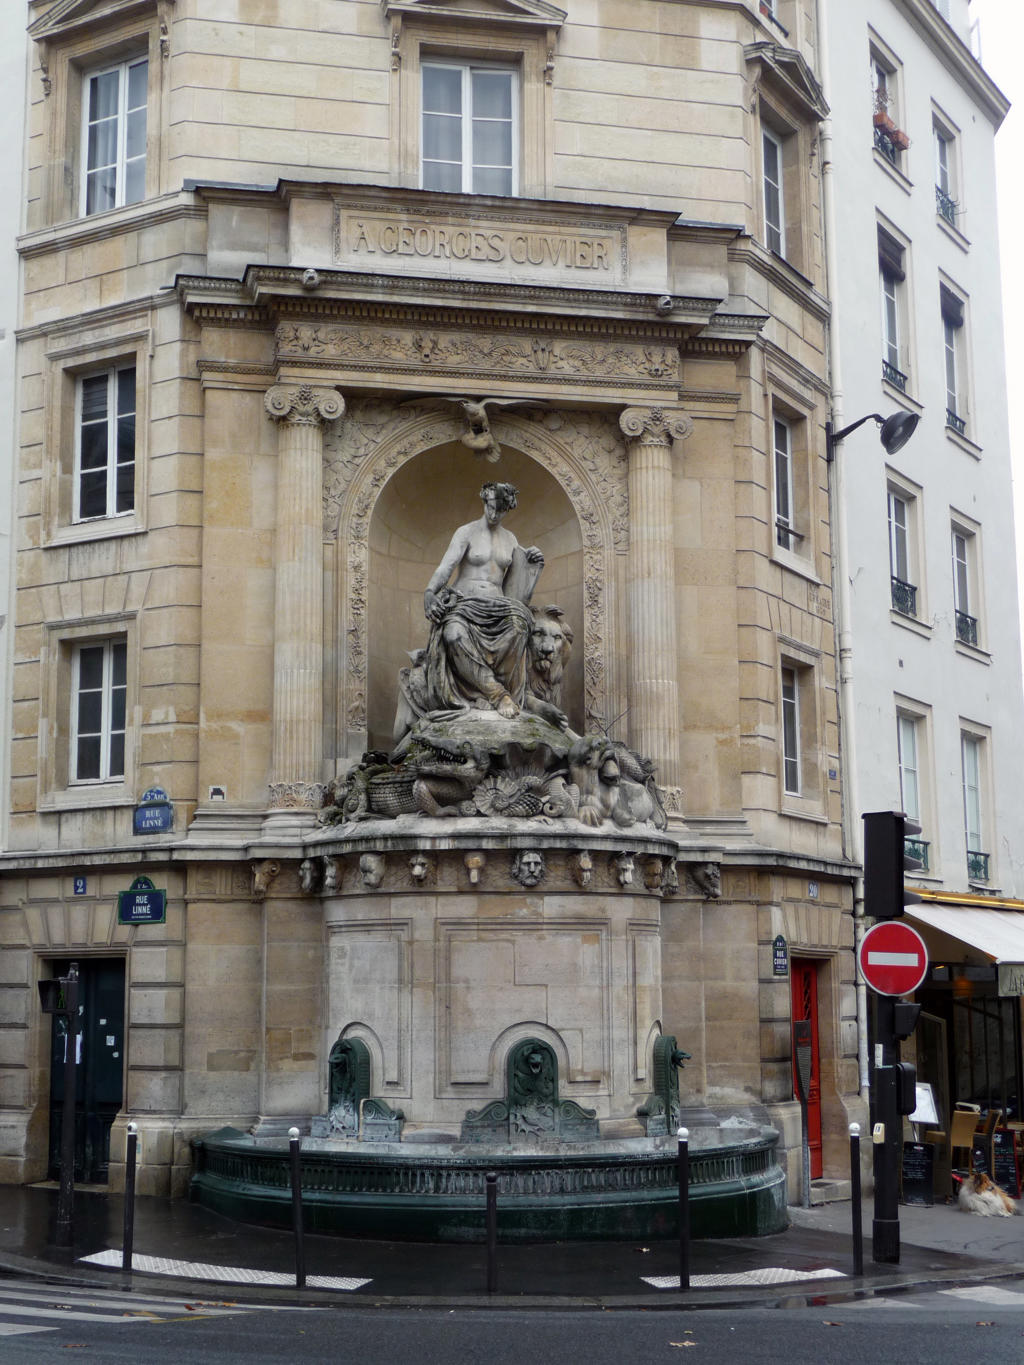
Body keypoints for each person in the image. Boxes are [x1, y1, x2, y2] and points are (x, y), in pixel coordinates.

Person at [394, 483, 565, 741]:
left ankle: (502, 693)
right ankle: (497, 694)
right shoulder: (467, 532)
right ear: (484, 501)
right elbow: (446, 566)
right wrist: (430, 592)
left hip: (498, 605)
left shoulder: (511, 540)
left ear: (508, 509)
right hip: (464, 603)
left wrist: (531, 566)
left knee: (520, 626)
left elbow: (515, 592)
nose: (494, 514)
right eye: (491, 507)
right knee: (452, 634)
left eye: (500, 510)